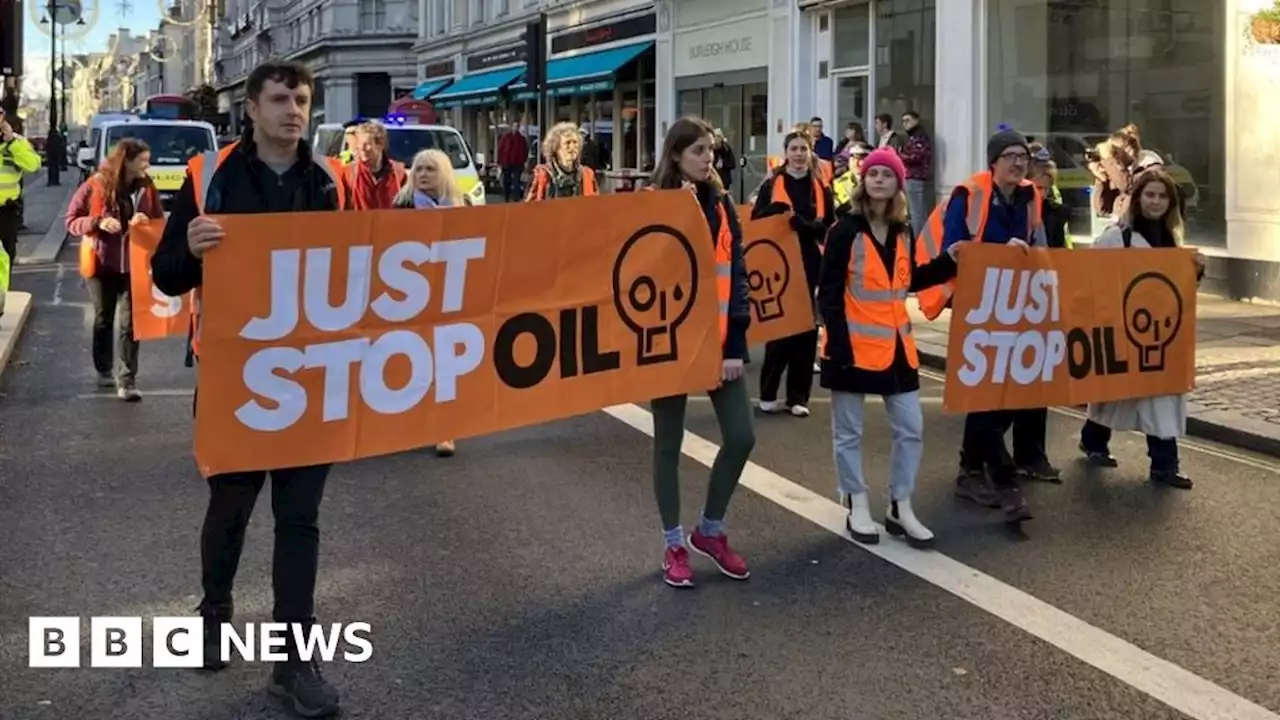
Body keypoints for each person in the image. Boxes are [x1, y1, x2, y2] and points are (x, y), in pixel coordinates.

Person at [151, 60, 350, 718]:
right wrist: (193, 246)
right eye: (280, 98)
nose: (293, 109)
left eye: (302, 99)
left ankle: (293, 662)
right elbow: (168, 275)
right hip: (235, 376)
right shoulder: (210, 177)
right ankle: (214, 613)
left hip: (310, 378)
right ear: (254, 108)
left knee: (300, 520)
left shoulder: (331, 182)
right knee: (230, 509)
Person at [819, 148, 970, 547]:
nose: (880, 180)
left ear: (899, 184)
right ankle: (857, 502)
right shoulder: (844, 231)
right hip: (851, 347)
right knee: (848, 433)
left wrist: (948, 261)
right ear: (863, 182)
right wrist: (836, 342)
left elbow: (909, 279)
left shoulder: (903, 229)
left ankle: (900, 504)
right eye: (873, 174)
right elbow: (829, 293)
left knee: (911, 430)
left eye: (888, 174)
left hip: (898, 350)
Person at [914, 128, 1049, 524]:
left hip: (1013, 304)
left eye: (1022, 156)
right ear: (993, 162)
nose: (1017, 162)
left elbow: (1038, 244)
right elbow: (954, 249)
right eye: (1008, 155)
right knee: (986, 389)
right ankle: (991, 475)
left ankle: (972, 469)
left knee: (1007, 390)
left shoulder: (1030, 196)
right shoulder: (967, 194)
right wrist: (999, 254)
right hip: (975, 304)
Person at [647, 116, 755, 589]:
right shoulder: (652, 204)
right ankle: (673, 542)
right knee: (668, 444)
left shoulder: (722, 203)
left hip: (716, 341)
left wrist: (735, 345)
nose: (708, 158)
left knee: (742, 436)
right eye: (697, 151)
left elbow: (740, 275)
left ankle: (709, 531)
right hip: (666, 342)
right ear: (675, 156)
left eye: (710, 150)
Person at [1080, 167, 1204, 489]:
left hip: (1161, 335)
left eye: (1163, 196)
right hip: (1125, 331)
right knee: (1113, 394)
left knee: (1160, 396)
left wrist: (1195, 273)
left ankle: (1164, 465)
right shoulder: (1116, 236)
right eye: (1150, 194)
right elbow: (1091, 279)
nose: (1156, 201)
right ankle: (1093, 440)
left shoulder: (1172, 242)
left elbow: (1178, 292)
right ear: (1137, 199)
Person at [64, 138, 164, 400]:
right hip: (101, 264)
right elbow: (72, 220)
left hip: (135, 264)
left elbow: (159, 221)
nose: (148, 166)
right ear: (126, 162)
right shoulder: (95, 185)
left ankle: (127, 381)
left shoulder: (147, 187)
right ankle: (103, 368)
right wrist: (97, 222)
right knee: (103, 318)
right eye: (143, 161)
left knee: (132, 323)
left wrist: (147, 221)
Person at [392, 147, 470, 458]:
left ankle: (444, 428)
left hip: (450, 293)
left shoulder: (460, 206)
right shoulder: (402, 206)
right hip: (409, 296)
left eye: (430, 169)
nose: (423, 175)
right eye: (418, 169)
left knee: (445, 363)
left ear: (444, 174)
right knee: (412, 360)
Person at [751, 129, 834, 417]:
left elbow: (831, 226)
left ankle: (798, 397)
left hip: (811, 261)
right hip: (779, 264)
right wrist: (773, 214)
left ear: (810, 153)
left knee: (806, 331)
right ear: (786, 153)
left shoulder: (821, 186)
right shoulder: (773, 184)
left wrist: (809, 227)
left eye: (803, 149)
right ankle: (768, 393)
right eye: (794, 148)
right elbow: (755, 223)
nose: (799, 154)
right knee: (779, 330)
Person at [0, 106, 41, 265]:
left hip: (6, 212)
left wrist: (12, 143)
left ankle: (3, 290)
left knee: (5, 258)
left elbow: (33, 165)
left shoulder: (18, 142)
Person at [525, 122, 599, 200]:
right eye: (567, 143)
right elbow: (529, 208)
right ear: (556, 147)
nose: (572, 147)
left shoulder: (587, 175)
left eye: (575, 142)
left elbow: (595, 206)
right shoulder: (541, 175)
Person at [347, 121, 406, 210]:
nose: (362, 149)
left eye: (367, 144)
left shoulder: (399, 174)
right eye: (359, 144)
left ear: (381, 144)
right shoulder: (350, 174)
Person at [1029, 143, 1071, 249]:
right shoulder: (1011, 210)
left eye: (1046, 188)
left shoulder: (1055, 215)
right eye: (1038, 188)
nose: (1042, 194)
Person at [899, 111, 933, 237]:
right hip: (912, 176)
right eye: (903, 121)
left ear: (916, 120)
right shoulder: (914, 136)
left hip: (915, 176)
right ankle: (922, 238)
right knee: (917, 212)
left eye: (908, 120)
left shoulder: (920, 136)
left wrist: (900, 155)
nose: (905, 124)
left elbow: (916, 156)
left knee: (916, 212)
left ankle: (918, 240)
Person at [497, 124, 529, 202]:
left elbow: (525, 150)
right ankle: (506, 197)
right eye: (514, 126)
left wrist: (524, 161)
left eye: (517, 126)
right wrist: (500, 162)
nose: (515, 128)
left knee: (516, 181)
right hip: (507, 162)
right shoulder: (506, 137)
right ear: (511, 127)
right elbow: (501, 149)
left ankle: (515, 198)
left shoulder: (521, 139)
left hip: (518, 163)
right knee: (506, 181)